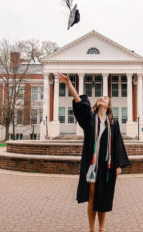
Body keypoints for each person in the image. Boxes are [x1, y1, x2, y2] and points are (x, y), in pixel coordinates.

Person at [55, 73, 130, 232]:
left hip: (108, 165)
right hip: (92, 164)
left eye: (105, 98)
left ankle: (101, 229)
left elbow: (117, 145)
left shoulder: (113, 124)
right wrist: (69, 84)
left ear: (109, 104)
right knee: (92, 196)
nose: (102, 98)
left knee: (104, 197)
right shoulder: (90, 118)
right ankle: (91, 229)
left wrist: (119, 166)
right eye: (100, 97)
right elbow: (80, 102)